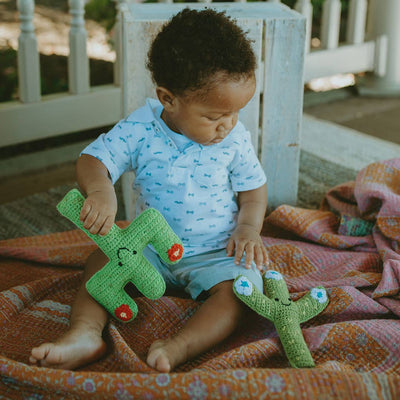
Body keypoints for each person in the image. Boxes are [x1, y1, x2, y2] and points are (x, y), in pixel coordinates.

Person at [29, 8, 269, 372]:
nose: (228, 126)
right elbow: (94, 160)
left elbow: (253, 189)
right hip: (149, 250)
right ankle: (85, 334)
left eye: (236, 113)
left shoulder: (234, 139)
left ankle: (179, 347)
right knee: (100, 262)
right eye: (215, 117)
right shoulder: (139, 129)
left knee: (244, 294)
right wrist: (100, 190)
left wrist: (248, 227)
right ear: (169, 99)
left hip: (215, 252)